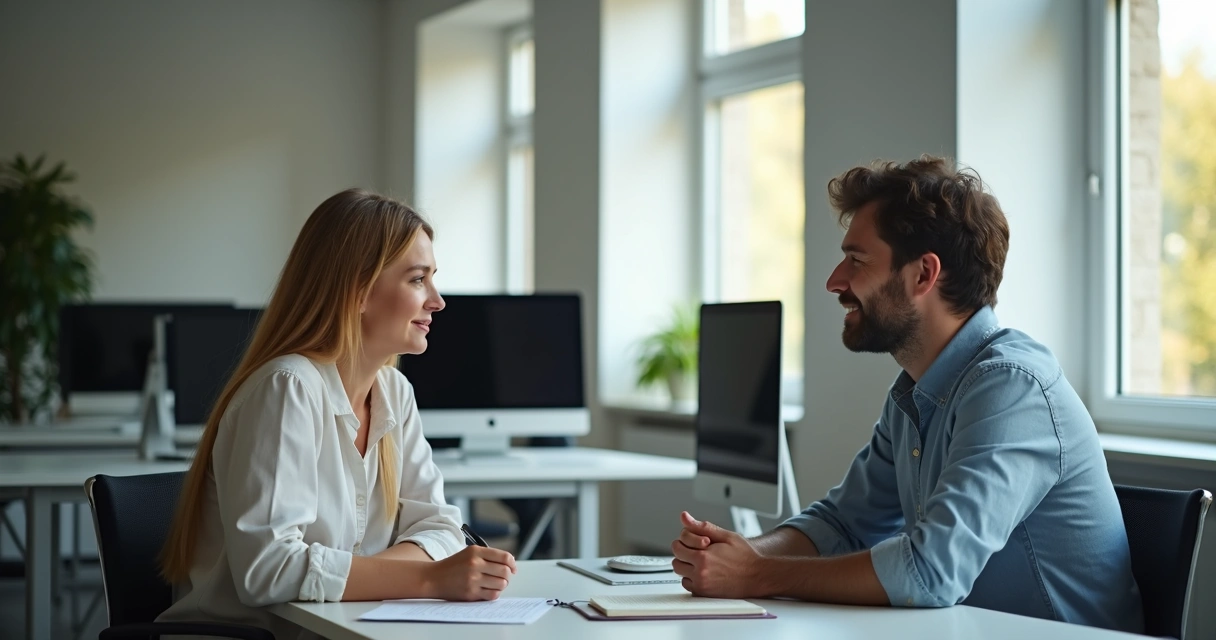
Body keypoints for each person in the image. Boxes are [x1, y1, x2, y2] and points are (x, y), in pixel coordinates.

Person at [670, 156, 1144, 634]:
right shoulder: (915, 394)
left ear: (923, 275)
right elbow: (843, 524)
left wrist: (758, 574)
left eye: (857, 260)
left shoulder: (1011, 388)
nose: (835, 281)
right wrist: (747, 554)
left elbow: (930, 572)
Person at [158, 189, 517, 639]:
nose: (437, 301)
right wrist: (427, 577)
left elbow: (441, 525)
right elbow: (268, 571)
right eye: (417, 280)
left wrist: (368, 573)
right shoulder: (286, 388)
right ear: (359, 291)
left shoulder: (394, 392)